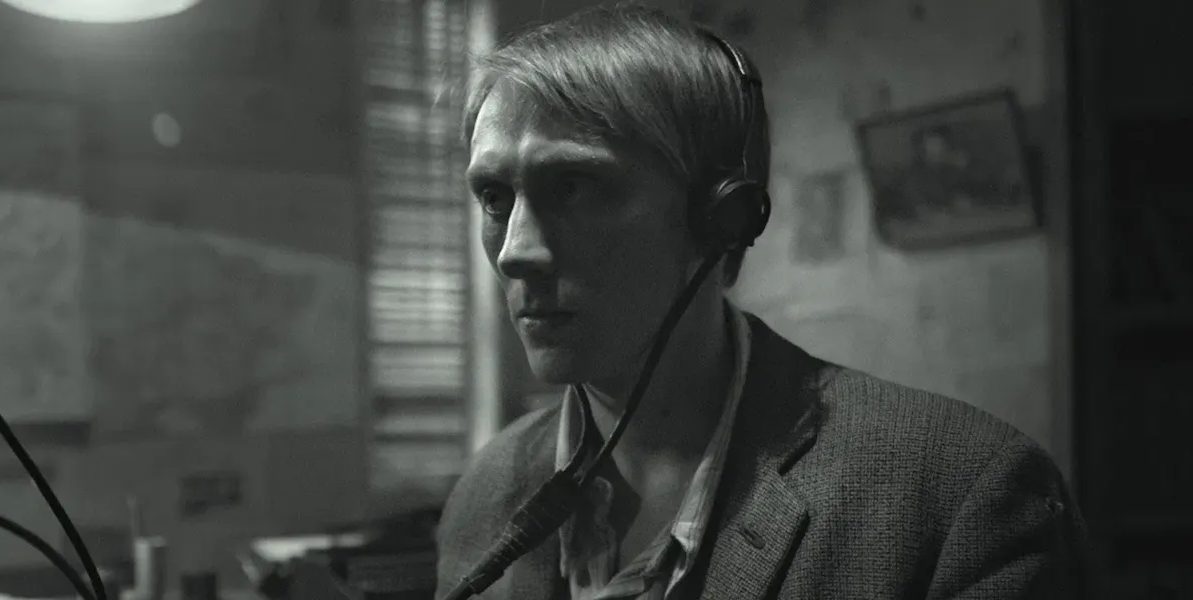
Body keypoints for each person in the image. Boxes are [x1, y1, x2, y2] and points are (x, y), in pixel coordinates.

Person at [435, 4, 1095, 599]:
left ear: (721, 217)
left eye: (573, 186)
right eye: (494, 198)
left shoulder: (964, 496)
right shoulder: (486, 492)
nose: (514, 251)